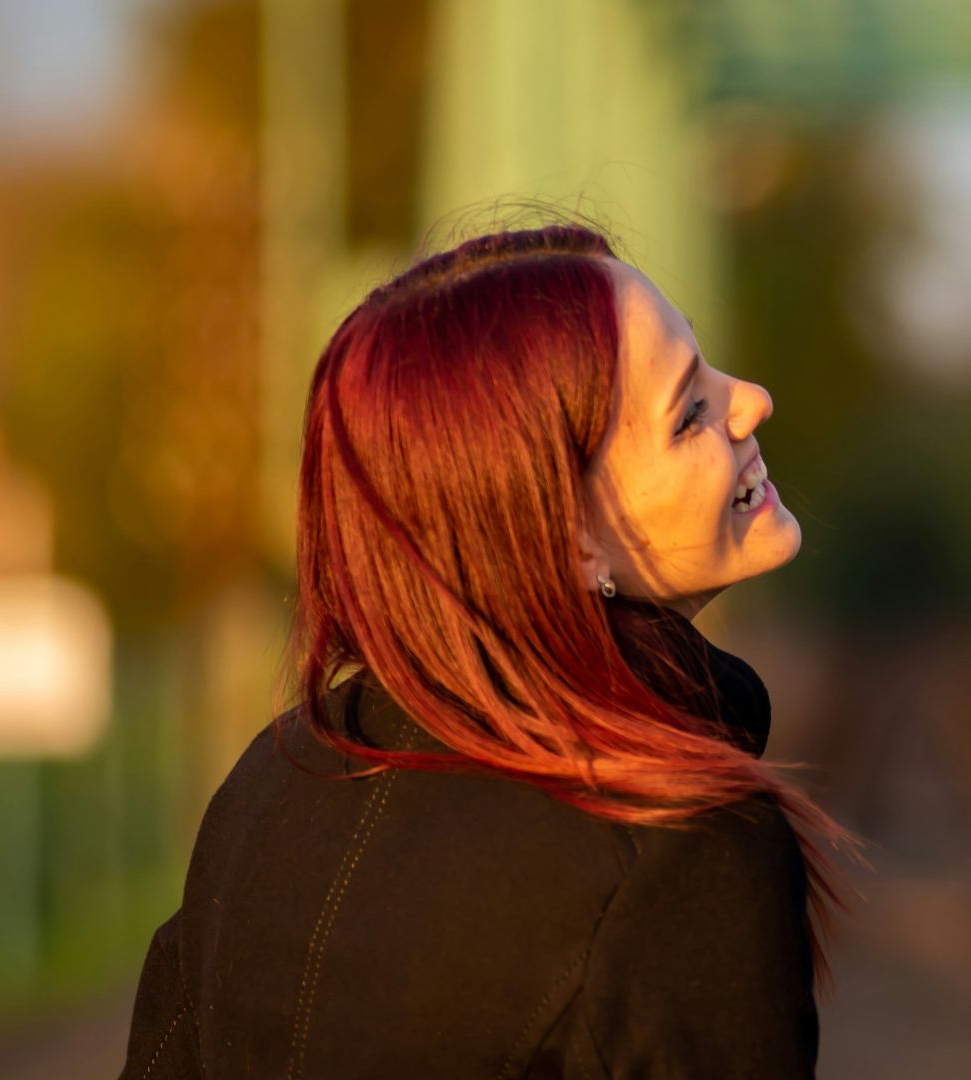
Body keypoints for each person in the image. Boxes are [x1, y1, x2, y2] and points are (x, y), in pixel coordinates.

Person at [121, 225, 846, 1078]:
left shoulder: (269, 787)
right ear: (565, 540)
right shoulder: (680, 849)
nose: (751, 400)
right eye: (689, 414)